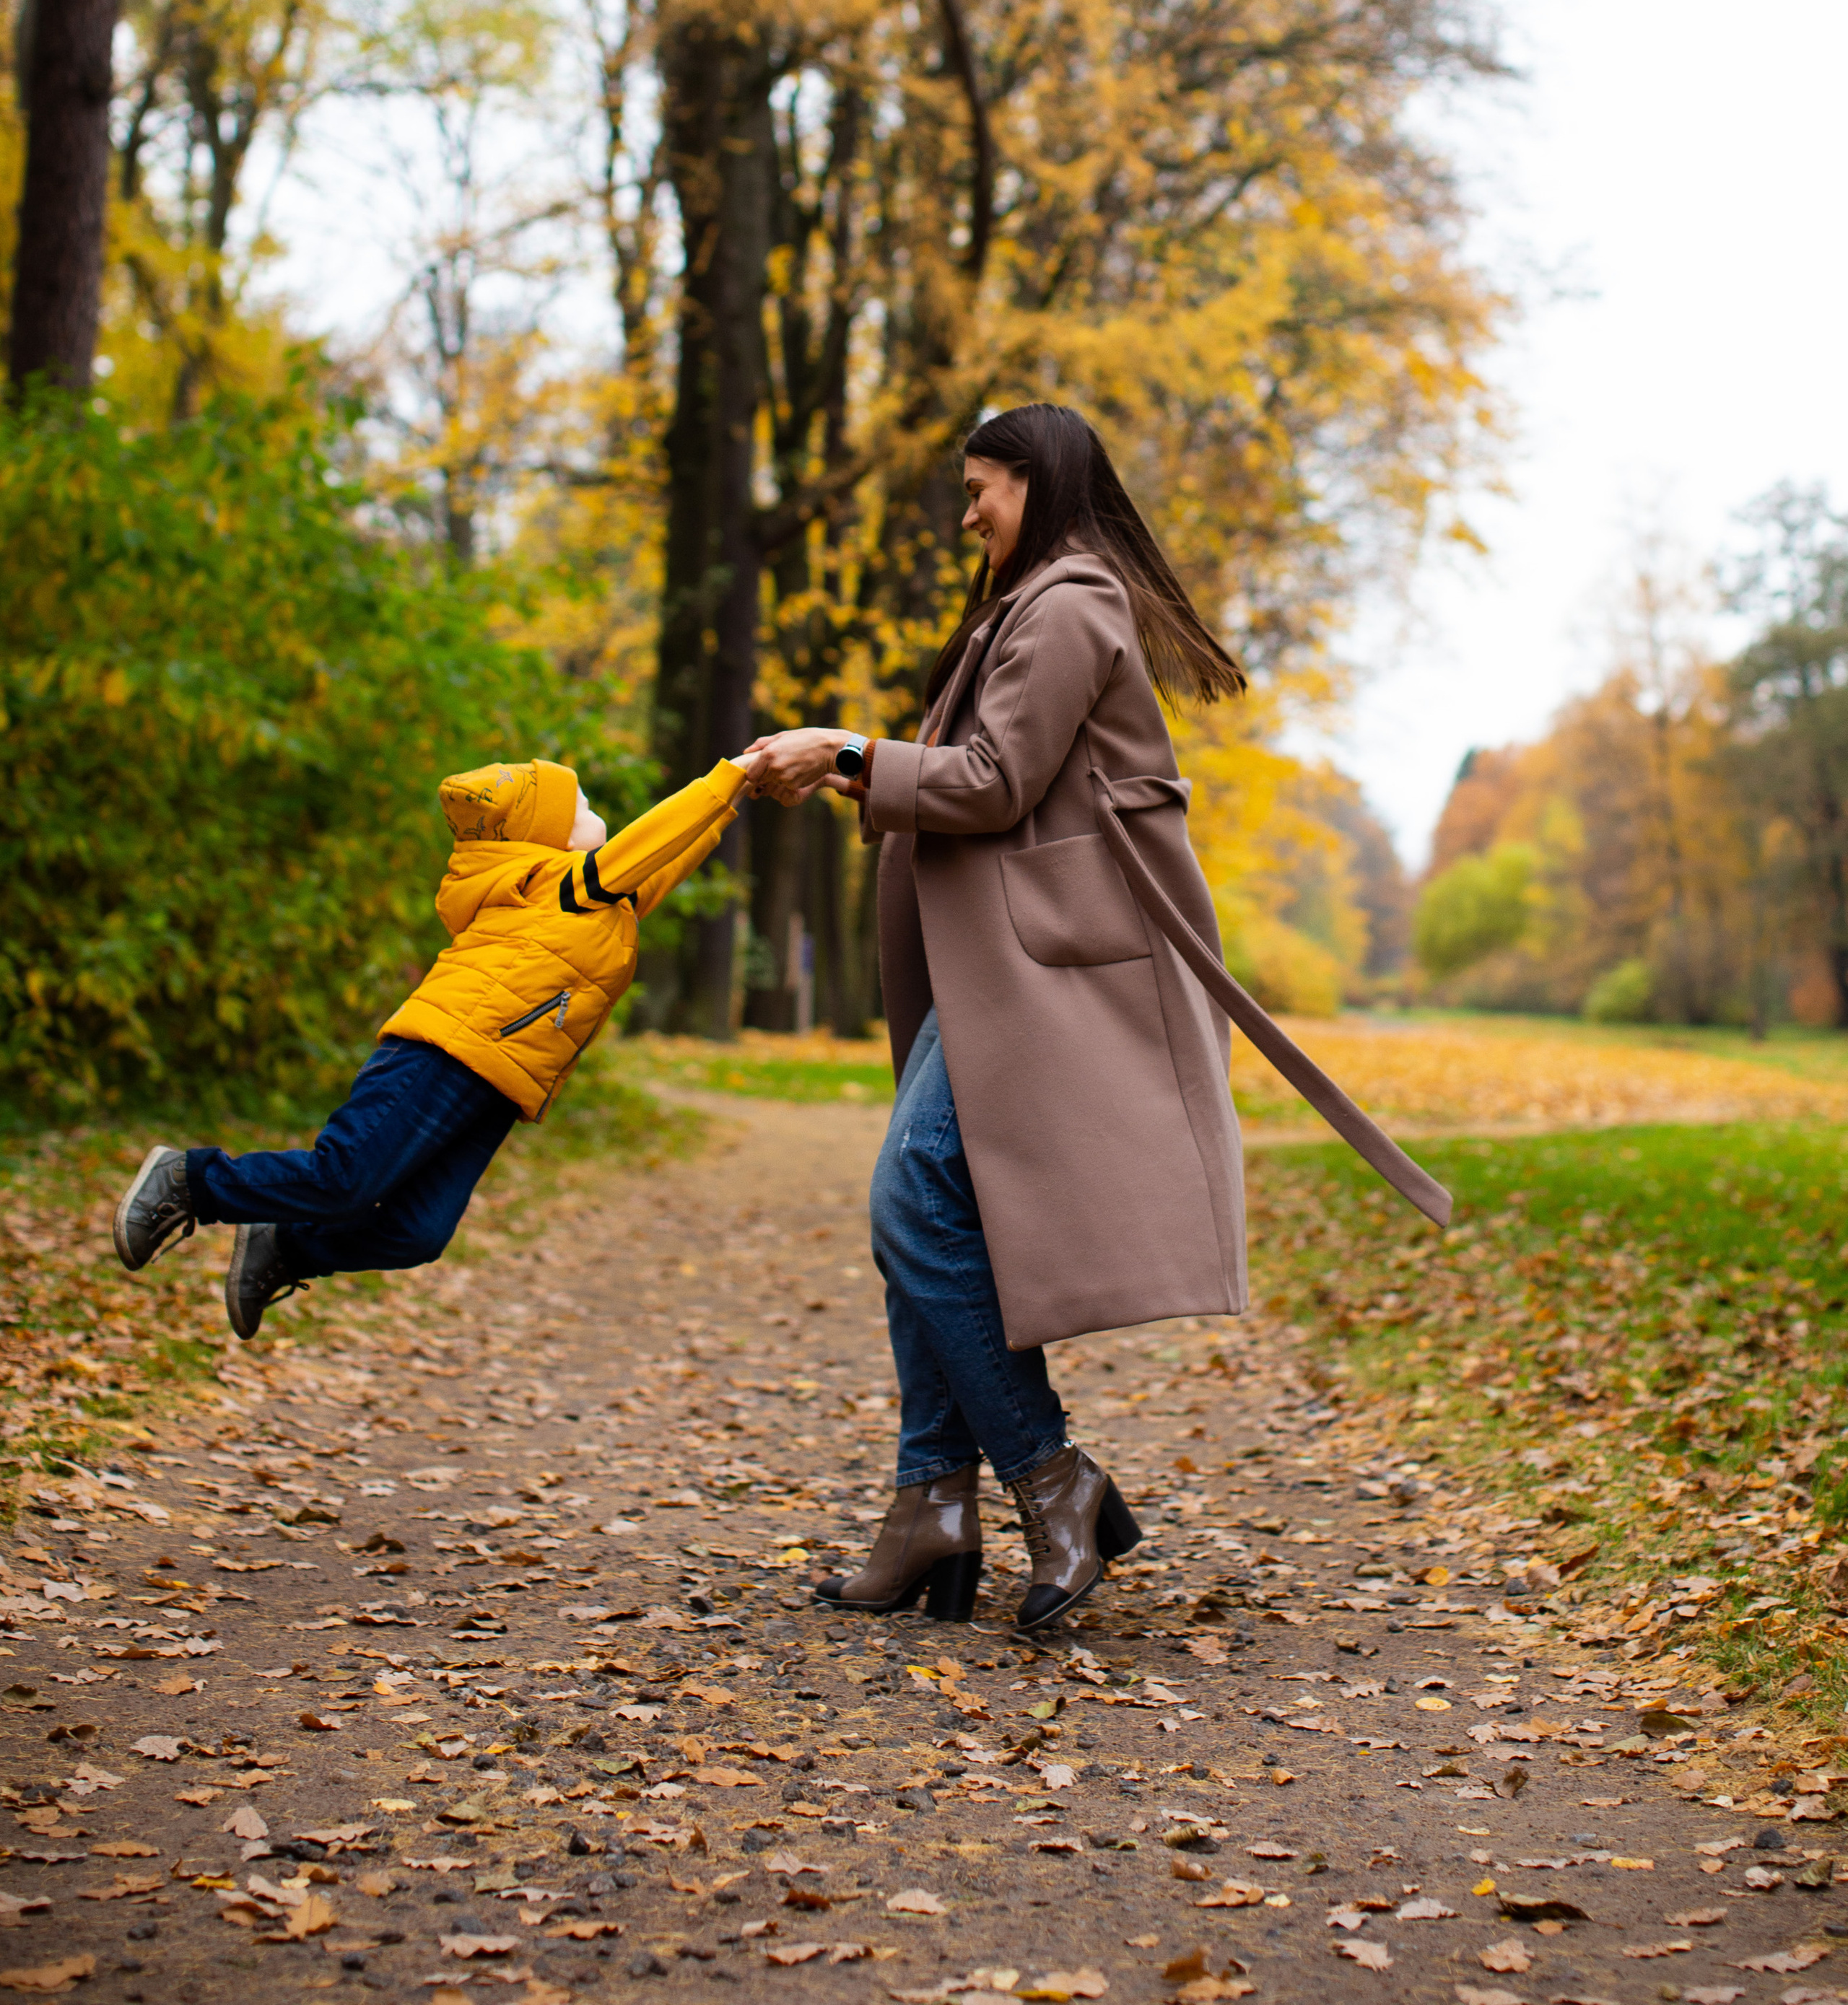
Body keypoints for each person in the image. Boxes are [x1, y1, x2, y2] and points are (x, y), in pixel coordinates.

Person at [746, 401, 1442, 1635]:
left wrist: (849, 754)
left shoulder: (1067, 605)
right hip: (1001, 965)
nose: (968, 511)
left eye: (984, 487)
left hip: (1043, 969)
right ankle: (928, 1511)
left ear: (1041, 484)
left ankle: (1050, 1480)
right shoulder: (1034, 603)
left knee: (912, 1202)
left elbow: (995, 780)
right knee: (927, 1209)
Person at [111, 751, 752, 1340]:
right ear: (547, 838)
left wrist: (743, 791)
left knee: (418, 1232)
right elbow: (650, 841)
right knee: (344, 1180)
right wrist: (730, 779)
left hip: (497, 1083)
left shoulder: (601, 901)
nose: (599, 814)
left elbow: (668, 852)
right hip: (443, 1055)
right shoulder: (554, 883)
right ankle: (192, 1180)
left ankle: (286, 1246)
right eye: (583, 808)